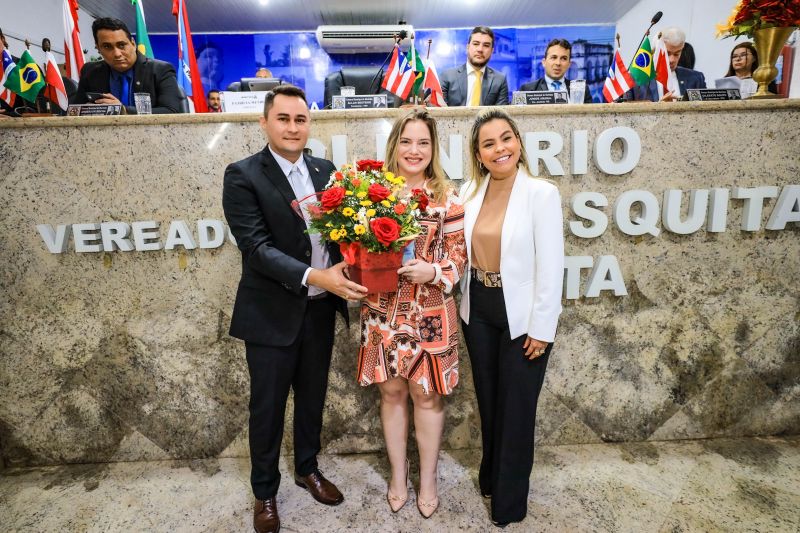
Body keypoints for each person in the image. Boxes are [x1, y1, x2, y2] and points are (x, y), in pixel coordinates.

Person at [222, 84, 368, 533]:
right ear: (264, 122)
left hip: (322, 310)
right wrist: (315, 276)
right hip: (271, 313)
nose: (291, 127)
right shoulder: (243, 174)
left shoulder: (326, 171)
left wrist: (357, 264)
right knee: (266, 408)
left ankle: (308, 469)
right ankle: (265, 492)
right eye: (283, 118)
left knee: (312, 399)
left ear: (310, 123)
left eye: (299, 119)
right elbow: (257, 248)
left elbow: (341, 233)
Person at [356, 109, 466, 518]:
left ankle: (429, 478)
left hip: (431, 309)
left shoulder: (448, 198)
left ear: (433, 148)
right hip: (382, 309)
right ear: (394, 146)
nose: (414, 150)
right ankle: (399, 475)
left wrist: (433, 270)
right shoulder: (371, 194)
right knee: (391, 392)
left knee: (427, 394)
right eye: (406, 141)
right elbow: (353, 248)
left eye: (423, 142)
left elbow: (460, 258)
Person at [459, 108, 564, 528]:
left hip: (522, 315)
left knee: (517, 408)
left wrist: (542, 328)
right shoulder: (468, 192)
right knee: (489, 400)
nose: (499, 148)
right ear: (479, 154)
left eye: (506, 138)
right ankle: (491, 477)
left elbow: (552, 267)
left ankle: (508, 503)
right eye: (489, 143)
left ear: (517, 142)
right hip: (478, 308)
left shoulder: (542, 193)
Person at [71, 18, 184, 114]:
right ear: (98, 49)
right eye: (107, 47)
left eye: (121, 45)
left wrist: (122, 110)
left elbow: (171, 111)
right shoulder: (90, 71)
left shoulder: (161, 70)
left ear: (133, 44)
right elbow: (74, 111)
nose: (117, 54)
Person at [440, 26, 509, 106]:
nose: (480, 49)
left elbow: (501, 115)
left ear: (492, 51)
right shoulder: (447, 77)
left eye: (486, 45)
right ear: (468, 47)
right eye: (476, 44)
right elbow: (439, 112)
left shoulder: (500, 80)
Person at [633, 27, 706, 102]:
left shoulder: (696, 78)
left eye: (677, 54)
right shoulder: (637, 79)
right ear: (655, 51)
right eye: (667, 53)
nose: (672, 60)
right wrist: (661, 107)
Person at [519, 38, 593, 103]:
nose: (558, 63)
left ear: (569, 64)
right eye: (554, 57)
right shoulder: (527, 90)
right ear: (544, 62)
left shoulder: (582, 91)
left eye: (564, 58)